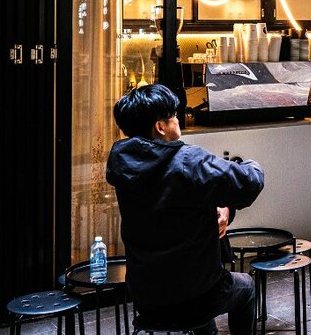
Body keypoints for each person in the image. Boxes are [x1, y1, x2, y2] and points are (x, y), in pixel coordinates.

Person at [106, 84, 264, 335]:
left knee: (201, 304)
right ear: (160, 127)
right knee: (245, 288)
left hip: (146, 298)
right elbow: (248, 182)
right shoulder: (188, 160)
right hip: (196, 295)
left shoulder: (123, 164)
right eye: (174, 114)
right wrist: (250, 164)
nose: (178, 119)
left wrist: (222, 210)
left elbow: (171, 208)